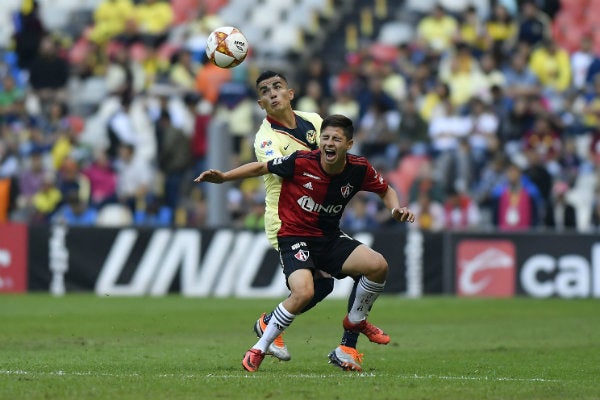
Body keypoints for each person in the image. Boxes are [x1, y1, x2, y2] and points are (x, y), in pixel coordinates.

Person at [195, 114, 416, 372]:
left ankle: (352, 331)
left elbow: (385, 190)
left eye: (336, 139)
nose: (329, 143)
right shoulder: (300, 161)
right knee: (305, 292)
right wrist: (223, 177)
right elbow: (260, 167)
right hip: (295, 236)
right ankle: (259, 348)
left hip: (329, 237)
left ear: (349, 144)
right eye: (325, 137)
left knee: (378, 266)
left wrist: (395, 210)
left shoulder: (359, 168)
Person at [251, 71, 351, 366]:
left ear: (290, 93)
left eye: (278, 87)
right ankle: (270, 329)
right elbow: (304, 167)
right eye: (265, 90)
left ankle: (268, 322)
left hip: (313, 217)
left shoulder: (315, 121)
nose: (273, 93)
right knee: (306, 288)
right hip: (285, 219)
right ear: (261, 103)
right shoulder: (266, 139)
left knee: (324, 285)